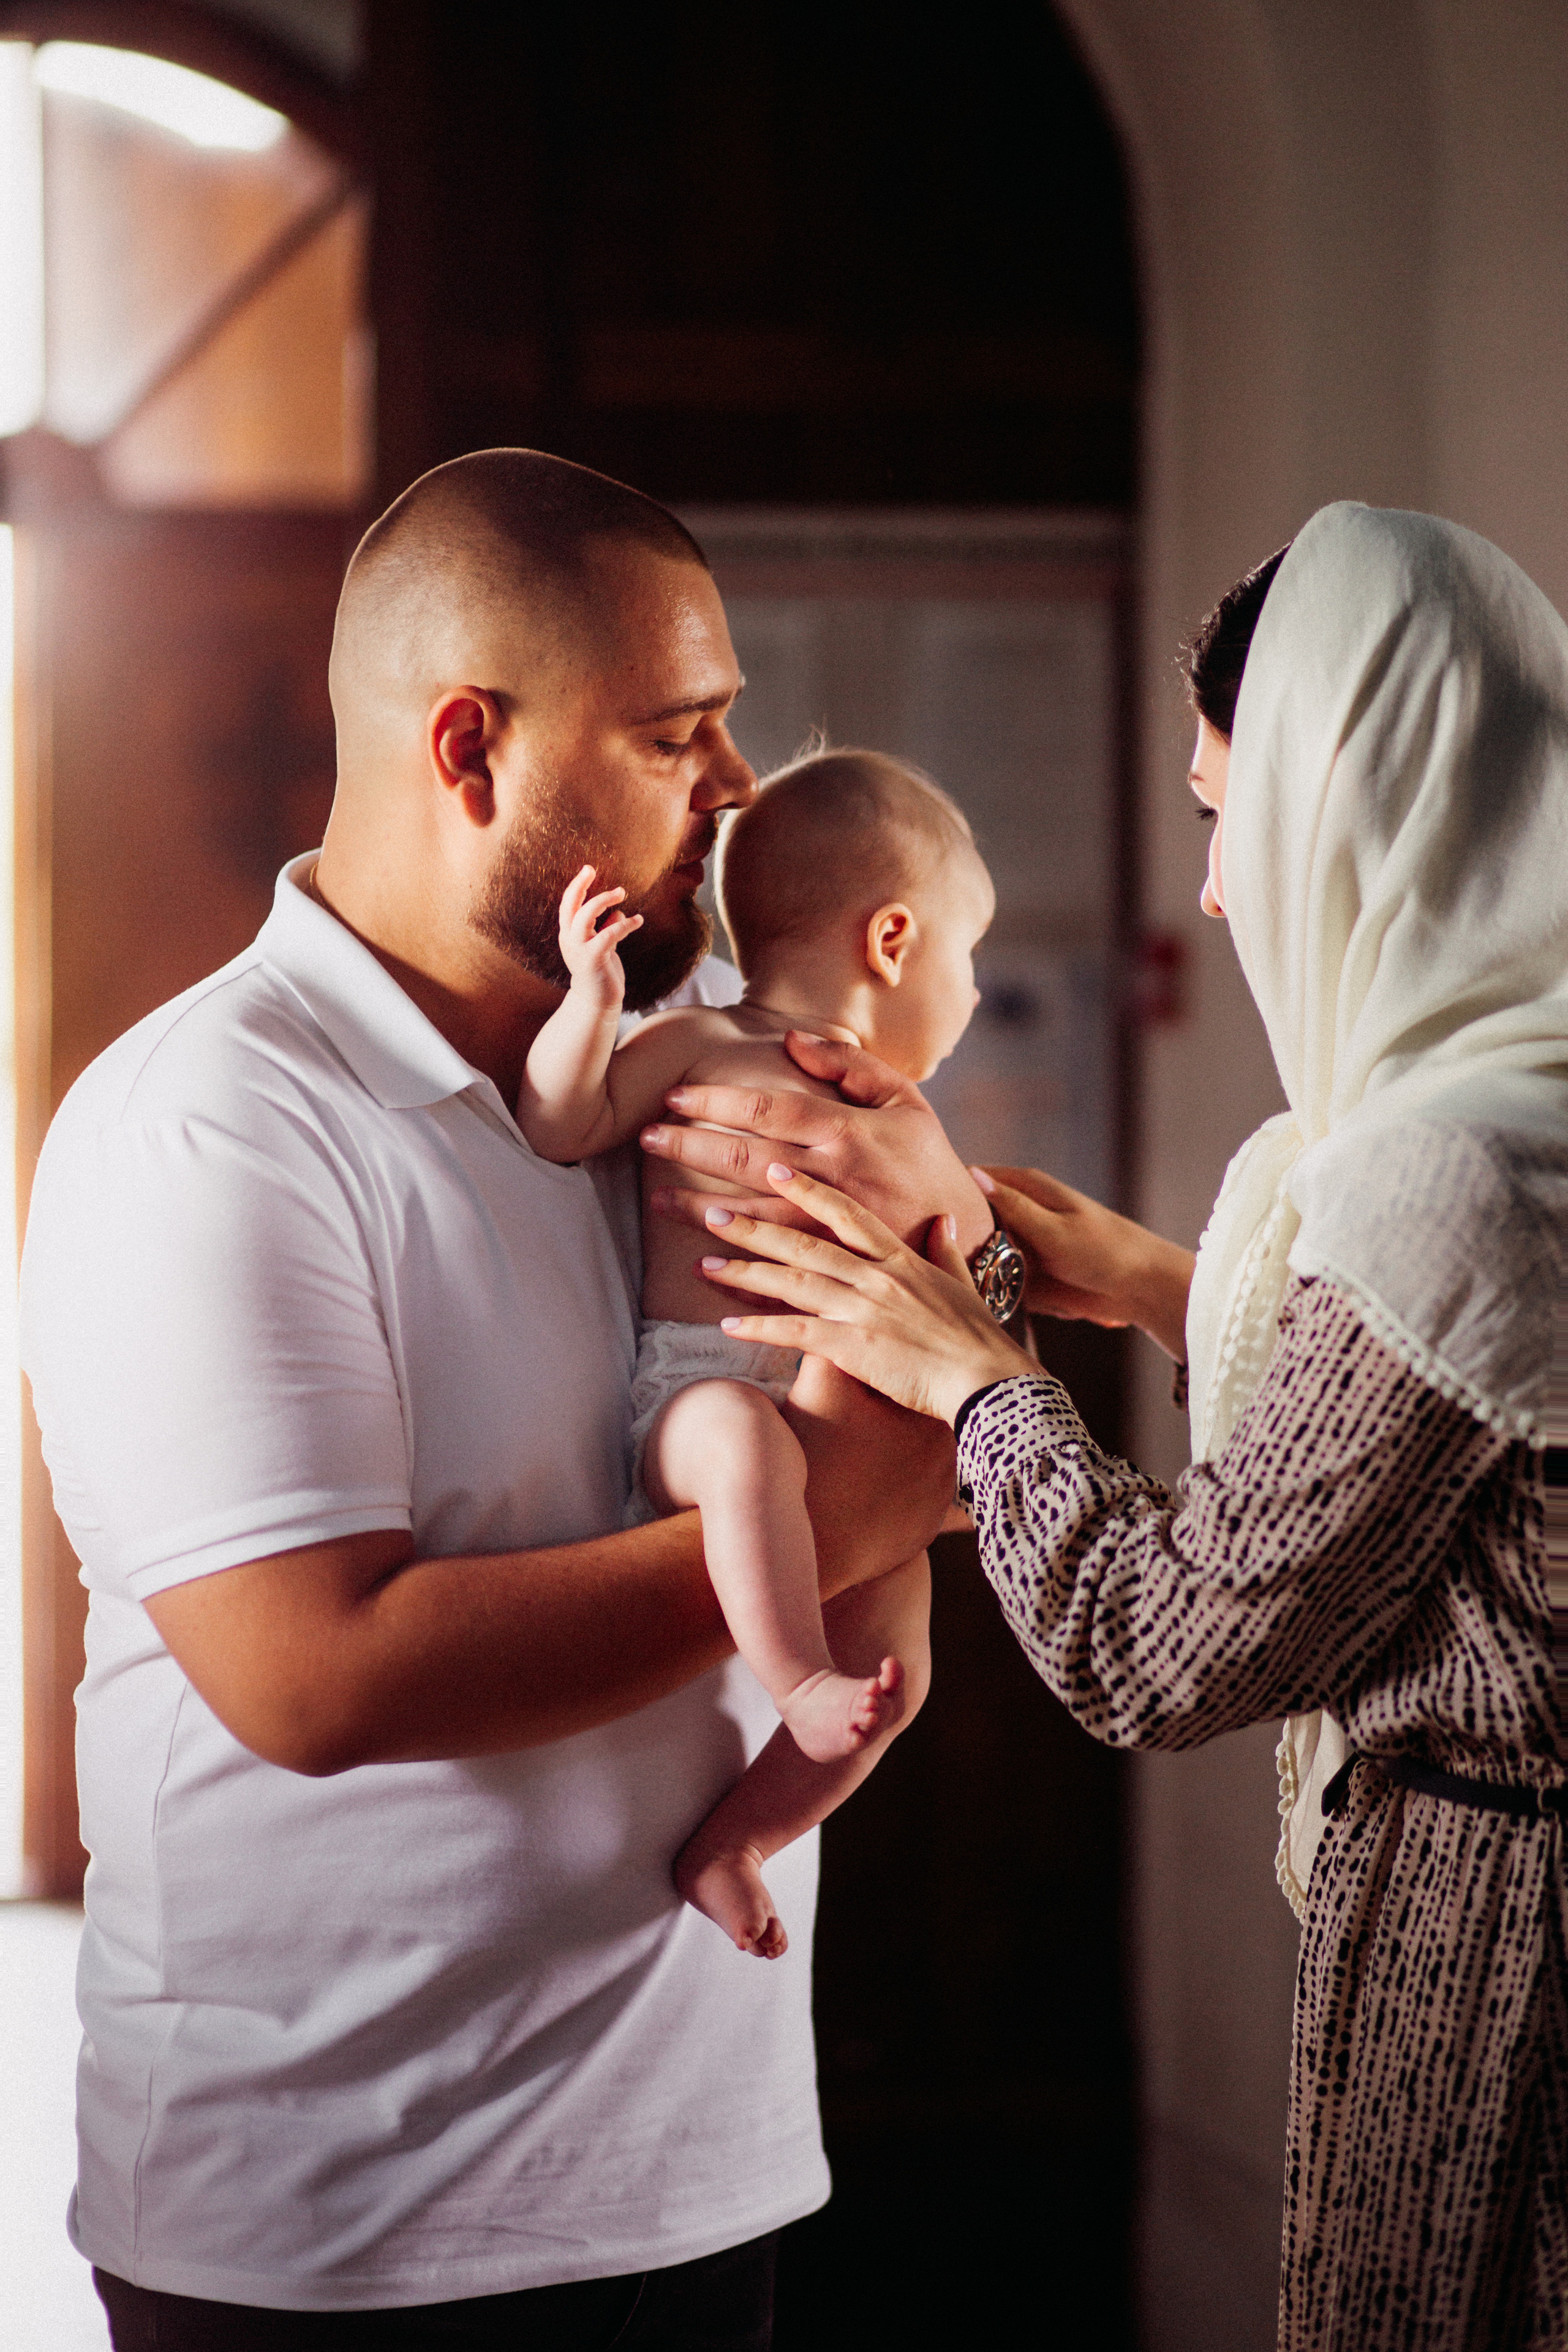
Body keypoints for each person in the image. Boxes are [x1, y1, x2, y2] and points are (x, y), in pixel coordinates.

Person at [19, 450, 995, 2350]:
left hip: (696, 2177)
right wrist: (857, 1504)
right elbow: (322, 1677)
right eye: (678, 736)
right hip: (343, 2233)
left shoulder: (672, 1085)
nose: (733, 797)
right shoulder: (213, 1125)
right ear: (472, 752)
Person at [653, 503, 1568, 2348]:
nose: (1219, 887)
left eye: (1235, 813)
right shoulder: (1519, 1092)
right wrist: (1161, 1280)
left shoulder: (1453, 1176)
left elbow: (1156, 1651)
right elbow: (1452, 1456)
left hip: (1502, 1973)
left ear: (1361, 798)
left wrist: (975, 1382)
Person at [518, 748, 1001, 1959]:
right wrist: (588, 1003)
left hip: (863, 1432)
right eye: (969, 954)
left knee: (901, 1667)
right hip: (705, 1384)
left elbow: (973, 1275)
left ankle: (736, 1842)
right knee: (738, 1451)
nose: (976, 992)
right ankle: (794, 1680)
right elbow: (561, 1121)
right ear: (891, 940)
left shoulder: (901, 1112)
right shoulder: (695, 1042)